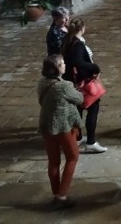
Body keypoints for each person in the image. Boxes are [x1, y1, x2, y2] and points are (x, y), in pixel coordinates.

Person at [37, 54, 83, 210]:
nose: (65, 65)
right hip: (63, 127)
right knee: (73, 157)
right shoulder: (64, 86)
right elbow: (79, 99)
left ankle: (56, 192)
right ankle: (62, 195)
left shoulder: (42, 83)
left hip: (47, 126)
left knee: (53, 161)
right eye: (62, 63)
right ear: (55, 68)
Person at [61, 18, 107, 153]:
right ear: (82, 28)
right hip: (82, 82)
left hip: (71, 81)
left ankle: (78, 136)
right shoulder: (78, 44)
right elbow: (78, 62)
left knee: (78, 109)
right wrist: (94, 67)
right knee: (93, 108)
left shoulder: (67, 40)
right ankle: (91, 142)